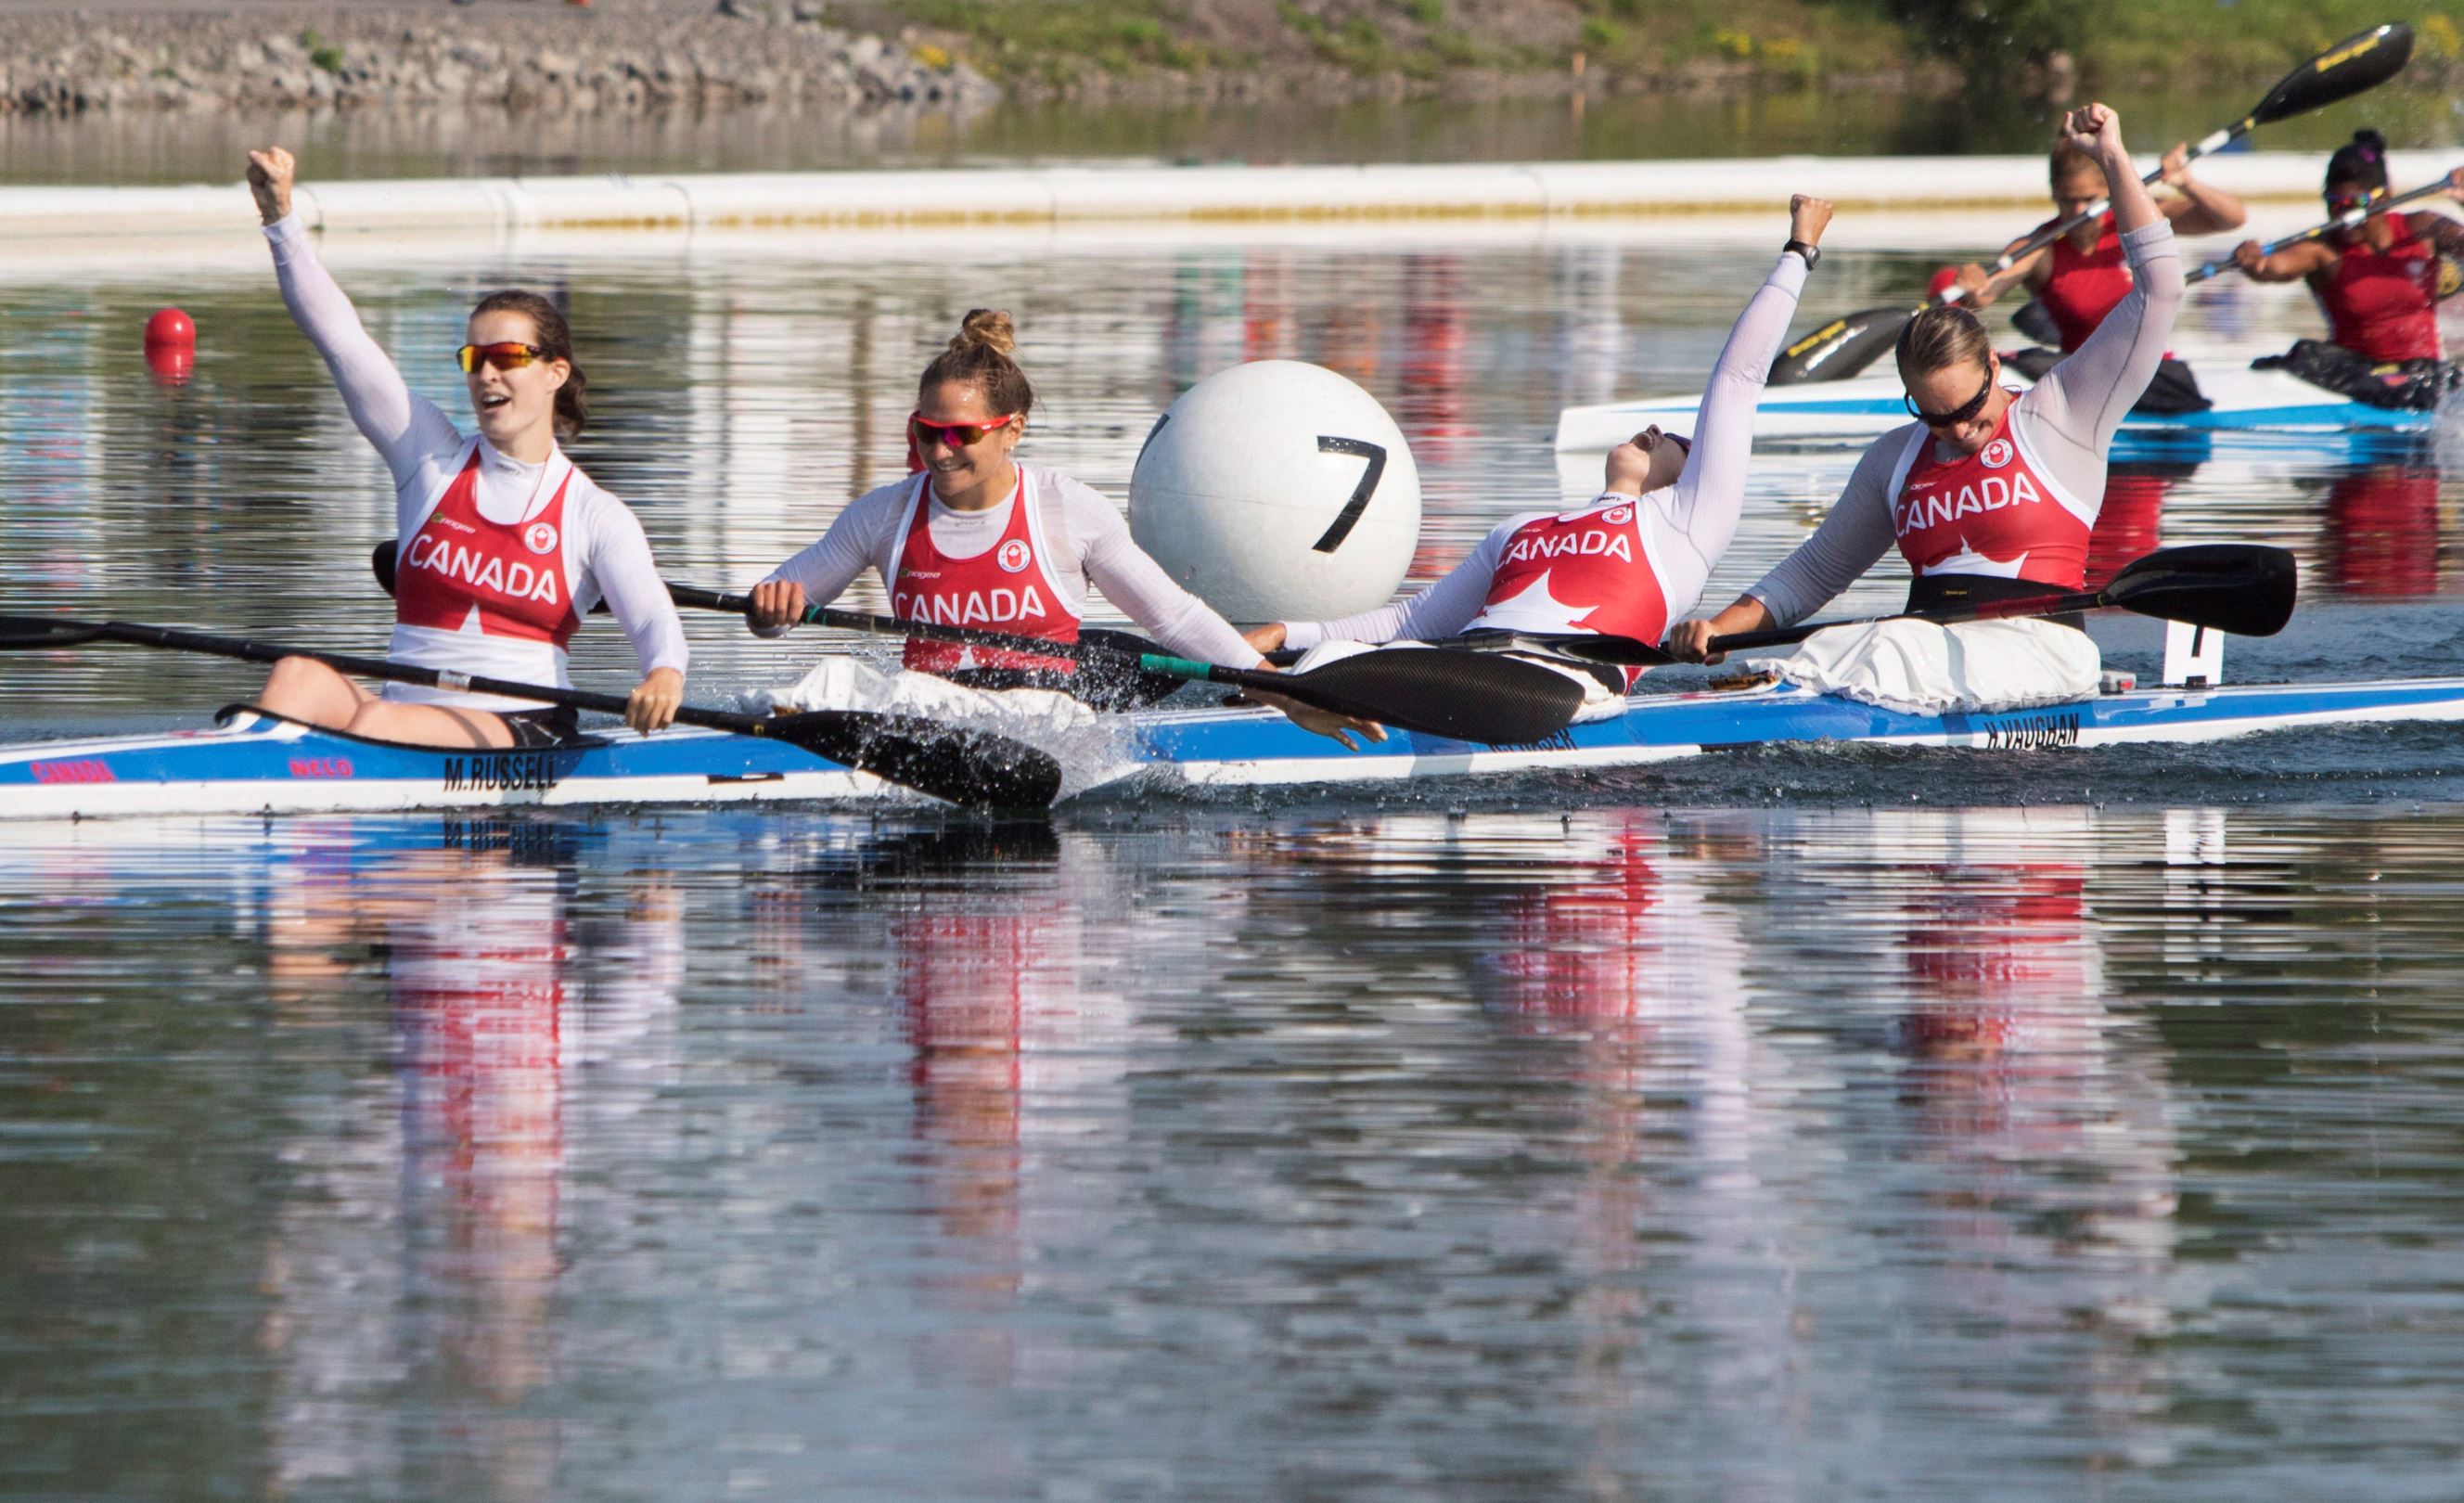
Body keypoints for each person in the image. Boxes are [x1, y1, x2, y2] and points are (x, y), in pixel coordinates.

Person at [1666, 104, 2182, 714]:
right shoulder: (1895, 459)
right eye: (1936, 417)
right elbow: (1813, 573)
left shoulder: (2065, 412)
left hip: (2041, 651)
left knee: (1883, 645)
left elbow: (2162, 287)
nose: (1960, 429)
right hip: (1927, 656)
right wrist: (1720, 629)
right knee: (1832, 649)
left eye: (1970, 408)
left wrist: (2113, 157)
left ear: (1994, 366)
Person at [1240, 196, 1836, 714]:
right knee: (1328, 655)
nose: (1655, 430)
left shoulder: (1685, 525)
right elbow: (1409, 625)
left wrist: (1797, 250)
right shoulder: (1518, 529)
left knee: (1352, 670)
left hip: (1561, 688)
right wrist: (1281, 632)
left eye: (1680, 443)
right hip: (1460, 670)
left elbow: (1737, 381)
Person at [746, 310, 1377, 744]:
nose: (939, 453)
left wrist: (1282, 692)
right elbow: (780, 602)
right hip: (927, 705)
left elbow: (1175, 620)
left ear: (1012, 429)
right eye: (926, 433)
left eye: (960, 435)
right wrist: (771, 609)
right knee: (832, 678)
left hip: (1041, 716)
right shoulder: (883, 513)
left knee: (853, 689)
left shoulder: (1065, 508)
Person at [244, 147, 687, 749]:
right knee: (297, 675)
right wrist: (280, 217)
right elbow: (340, 338)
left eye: (506, 357)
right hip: (403, 712)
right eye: (475, 359)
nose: (485, 375)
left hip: (522, 726)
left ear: (555, 374)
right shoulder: (427, 457)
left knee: (376, 724)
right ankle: (229, 782)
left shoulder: (593, 514)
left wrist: (663, 674)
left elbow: (653, 616)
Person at [1946, 132, 2242, 414]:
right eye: (2068, 200)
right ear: (2053, 193)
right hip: (2081, 371)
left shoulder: (2138, 224)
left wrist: (2185, 182)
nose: (2078, 211)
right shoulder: (2039, 248)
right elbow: (1984, 295)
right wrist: (1974, 288)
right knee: (2021, 361)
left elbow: (2231, 219)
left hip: (2155, 373)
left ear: (2108, 191)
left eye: (2089, 200)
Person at [2230, 132, 2464, 412]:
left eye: (2355, 205)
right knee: (2305, 354)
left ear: (2385, 197)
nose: (2343, 217)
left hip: (2421, 370)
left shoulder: (2423, 228)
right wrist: (2254, 262)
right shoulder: (2322, 250)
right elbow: (2272, 267)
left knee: (2435, 377)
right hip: (2355, 370)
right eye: (2335, 204)